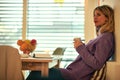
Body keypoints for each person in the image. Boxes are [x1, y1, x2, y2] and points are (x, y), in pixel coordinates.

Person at [26, 5, 115, 80]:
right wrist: (81, 46)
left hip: (74, 76)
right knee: (37, 71)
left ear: (107, 18)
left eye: (98, 15)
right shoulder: (101, 37)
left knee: (36, 73)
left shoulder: (106, 38)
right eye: (94, 15)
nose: (94, 17)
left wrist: (80, 47)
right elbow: (90, 55)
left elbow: (97, 64)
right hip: (71, 72)